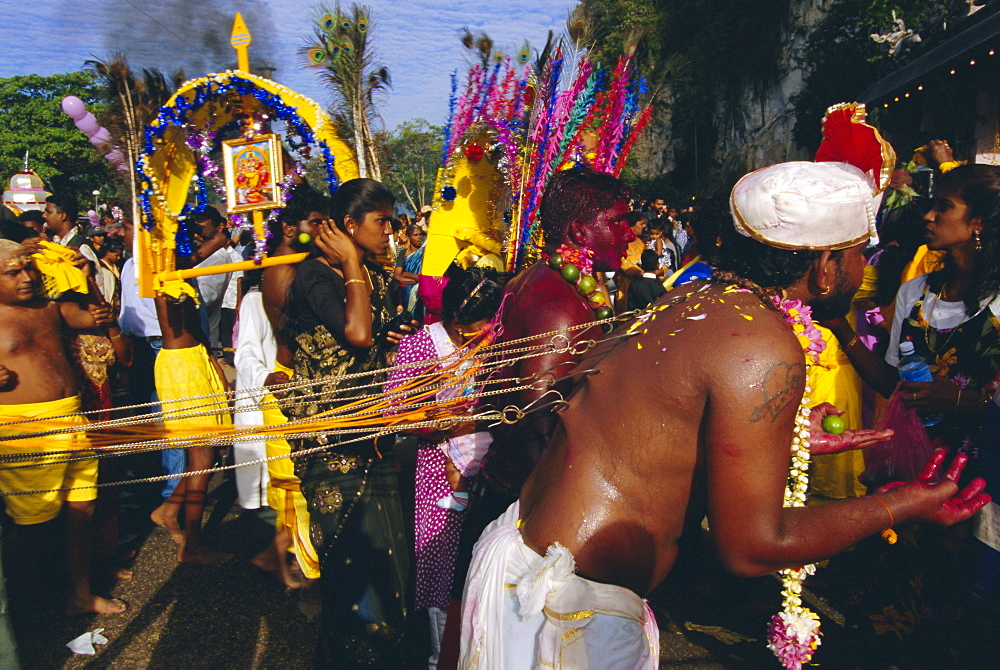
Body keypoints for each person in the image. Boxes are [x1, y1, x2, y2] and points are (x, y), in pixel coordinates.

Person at [457, 161, 989, 668]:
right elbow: (755, 547)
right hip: (564, 607)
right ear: (825, 267)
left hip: (532, 562)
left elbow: (657, 431)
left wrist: (788, 438)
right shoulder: (760, 340)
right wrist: (900, 504)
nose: (861, 269)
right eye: (857, 255)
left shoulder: (689, 301)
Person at [437, 168, 635, 669]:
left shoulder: (551, 280)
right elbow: (535, 420)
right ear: (577, 233)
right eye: (618, 221)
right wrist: (552, 527)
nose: (630, 232)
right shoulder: (558, 303)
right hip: (527, 502)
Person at [282, 178, 413, 665]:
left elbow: (372, 339)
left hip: (370, 436)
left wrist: (394, 333)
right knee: (354, 576)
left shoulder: (373, 276)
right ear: (348, 227)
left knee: (390, 567)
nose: (391, 233)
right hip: (330, 444)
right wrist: (355, 265)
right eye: (381, 223)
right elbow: (357, 334)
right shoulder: (316, 277)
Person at [822, 164, 1000, 455]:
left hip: (983, 467)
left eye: (945, 207)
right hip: (915, 457)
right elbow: (894, 385)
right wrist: (841, 328)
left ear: (978, 223)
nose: (929, 216)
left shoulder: (996, 300)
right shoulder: (916, 292)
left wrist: (962, 400)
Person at [0, 239, 126, 615]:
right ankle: (14, 609)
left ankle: (80, 595)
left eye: (28, 269)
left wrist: (83, 277)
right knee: (32, 525)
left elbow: (96, 318)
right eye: (13, 272)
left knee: (81, 510)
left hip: (72, 418)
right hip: (24, 431)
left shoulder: (48, 306)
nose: (26, 278)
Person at [386, 267, 503, 668]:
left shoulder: (498, 342)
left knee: (485, 562)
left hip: (490, 468)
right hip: (439, 471)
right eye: (480, 324)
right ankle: (441, 656)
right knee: (442, 564)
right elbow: (394, 412)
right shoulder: (422, 347)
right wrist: (444, 422)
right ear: (454, 320)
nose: (488, 331)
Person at [148, 213, 233, 565]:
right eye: (190, 237)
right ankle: (191, 545)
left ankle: (170, 510)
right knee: (203, 457)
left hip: (197, 357)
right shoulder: (166, 271)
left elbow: (197, 330)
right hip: (181, 367)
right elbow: (204, 252)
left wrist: (213, 363)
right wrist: (223, 233)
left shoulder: (182, 270)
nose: (197, 242)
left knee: (211, 453)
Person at [257, 190, 329, 585]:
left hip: (299, 381)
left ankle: (274, 558)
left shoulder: (300, 265)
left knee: (300, 483)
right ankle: (304, 573)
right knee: (300, 489)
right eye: (315, 222)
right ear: (289, 228)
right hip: (291, 382)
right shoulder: (285, 273)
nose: (322, 230)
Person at [393, 223, 427, 313]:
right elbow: (397, 275)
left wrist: (406, 274)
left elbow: (425, 277)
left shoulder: (425, 253)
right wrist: (414, 280)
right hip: (405, 290)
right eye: (416, 235)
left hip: (422, 290)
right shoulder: (403, 253)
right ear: (408, 236)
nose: (419, 237)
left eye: (421, 234)